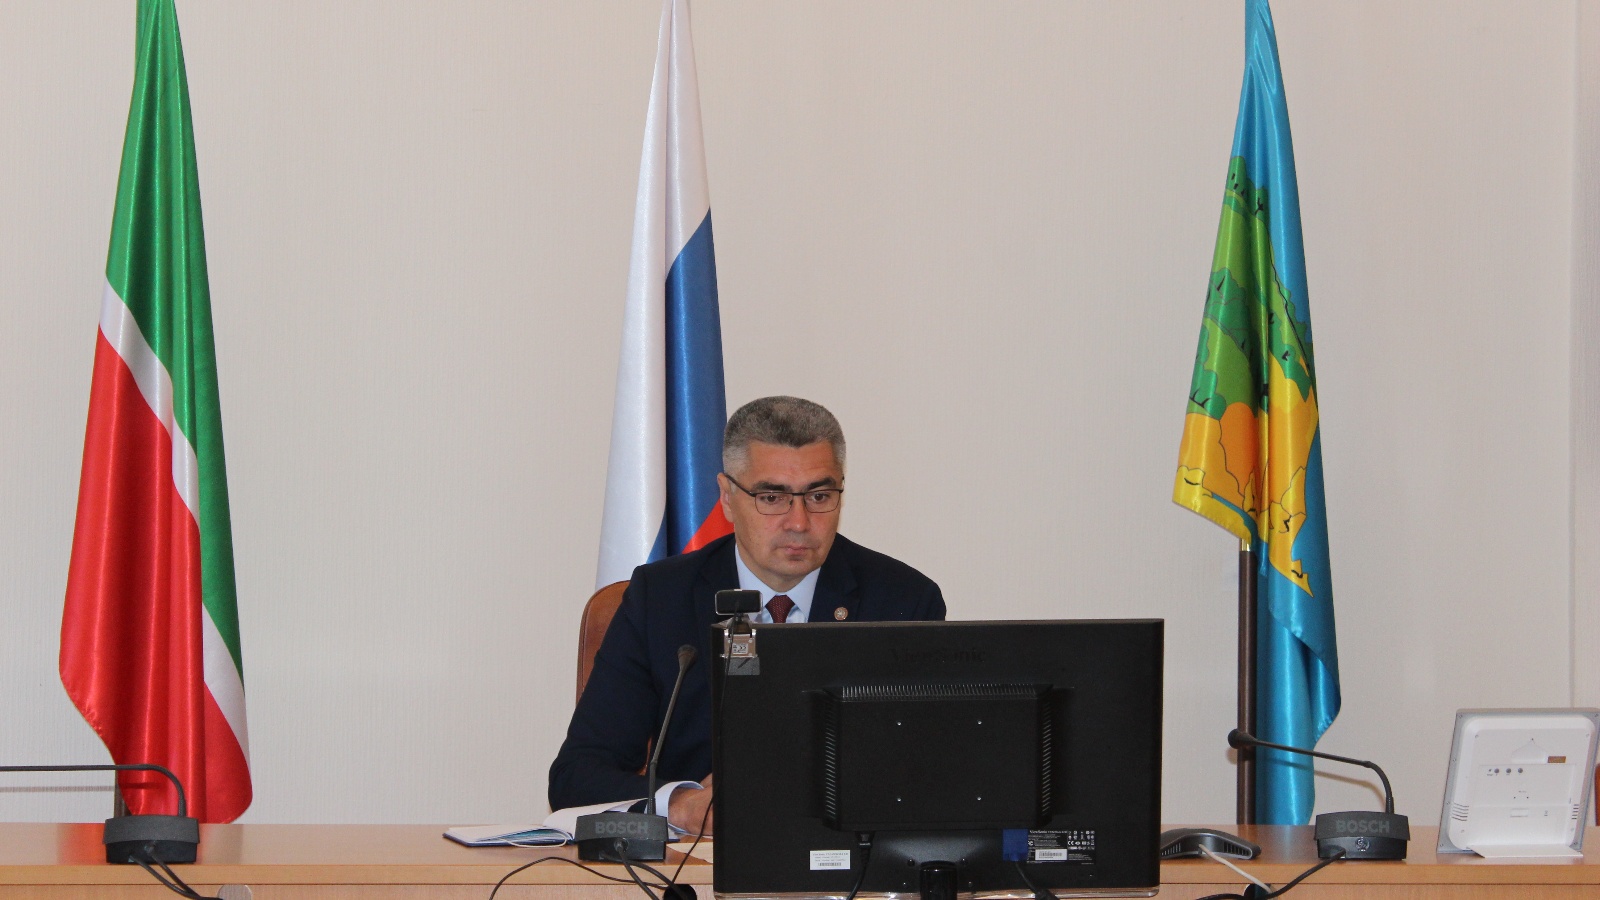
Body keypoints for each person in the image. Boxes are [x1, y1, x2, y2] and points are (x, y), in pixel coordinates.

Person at [547, 396, 946, 833]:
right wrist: (680, 805)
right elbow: (575, 777)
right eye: (772, 497)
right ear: (727, 497)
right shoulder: (661, 599)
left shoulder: (903, 601)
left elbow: (930, 771)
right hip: (701, 861)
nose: (799, 522)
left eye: (819, 496)